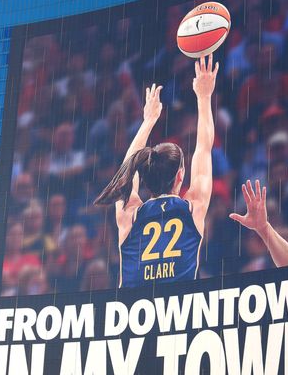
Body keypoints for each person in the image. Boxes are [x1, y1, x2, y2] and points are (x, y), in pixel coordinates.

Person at [93, 55, 218, 287]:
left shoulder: (130, 215)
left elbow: (127, 168)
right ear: (181, 175)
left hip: (132, 317)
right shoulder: (192, 207)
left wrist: (148, 121)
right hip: (177, 314)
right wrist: (204, 97)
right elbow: (204, 148)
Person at [229, 179, 288, 267]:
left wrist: (264, 228)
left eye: (273, 213)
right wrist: (262, 229)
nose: (270, 218)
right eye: (268, 213)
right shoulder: (256, 264)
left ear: (279, 214)